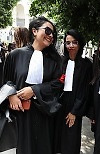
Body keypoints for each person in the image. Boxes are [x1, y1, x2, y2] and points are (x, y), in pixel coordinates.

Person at [1, 16, 63, 154]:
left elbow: (58, 84)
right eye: (47, 31)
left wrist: (34, 90)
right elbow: (5, 80)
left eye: (53, 33)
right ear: (34, 31)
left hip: (44, 113)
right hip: (21, 115)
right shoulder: (15, 55)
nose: (51, 35)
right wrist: (11, 95)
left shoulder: (55, 60)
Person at [54, 29, 92, 154]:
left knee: (71, 139)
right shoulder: (60, 61)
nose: (71, 46)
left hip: (75, 104)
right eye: (68, 43)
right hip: (58, 104)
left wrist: (74, 111)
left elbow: (84, 90)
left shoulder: (86, 65)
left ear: (79, 44)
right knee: (56, 137)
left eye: (74, 42)